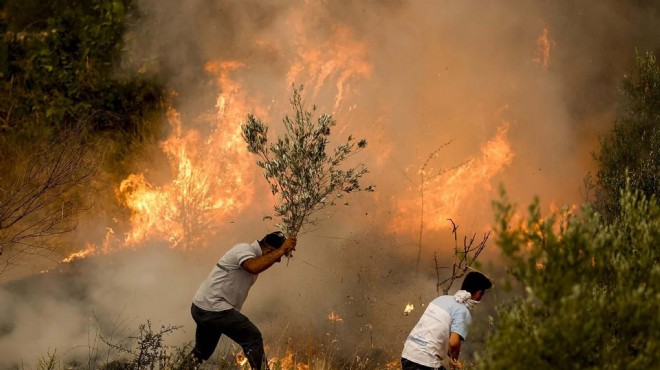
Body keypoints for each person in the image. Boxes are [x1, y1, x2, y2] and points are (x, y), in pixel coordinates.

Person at [187, 231, 296, 369]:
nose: (278, 260)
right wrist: (281, 250)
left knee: (202, 352)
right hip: (214, 309)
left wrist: (281, 251)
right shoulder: (243, 249)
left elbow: (258, 265)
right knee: (253, 338)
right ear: (269, 250)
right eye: (277, 256)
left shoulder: (253, 255)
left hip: (202, 307)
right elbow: (253, 266)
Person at [401, 271, 493, 370]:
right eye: (482, 295)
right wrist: (454, 360)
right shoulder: (463, 311)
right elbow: (453, 342)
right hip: (425, 362)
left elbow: (444, 341)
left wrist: (452, 356)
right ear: (478, 293)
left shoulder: (441, 299)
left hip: (407, 355)